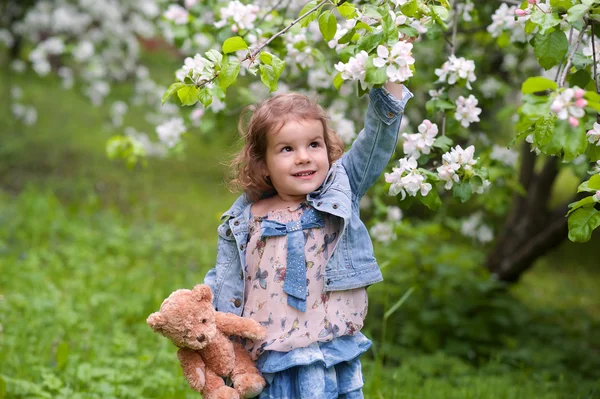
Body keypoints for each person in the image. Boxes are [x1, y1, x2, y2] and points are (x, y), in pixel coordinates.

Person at [204, 80, 412, 399]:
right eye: (287, 149)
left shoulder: (341, 190)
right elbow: (226, 279)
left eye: (314, 145)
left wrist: (392, 80)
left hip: (328, 348)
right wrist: (205, 317)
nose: (304, 157)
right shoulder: (247, 217)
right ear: (262, 163)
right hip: (271, 357)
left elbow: (377, 140)